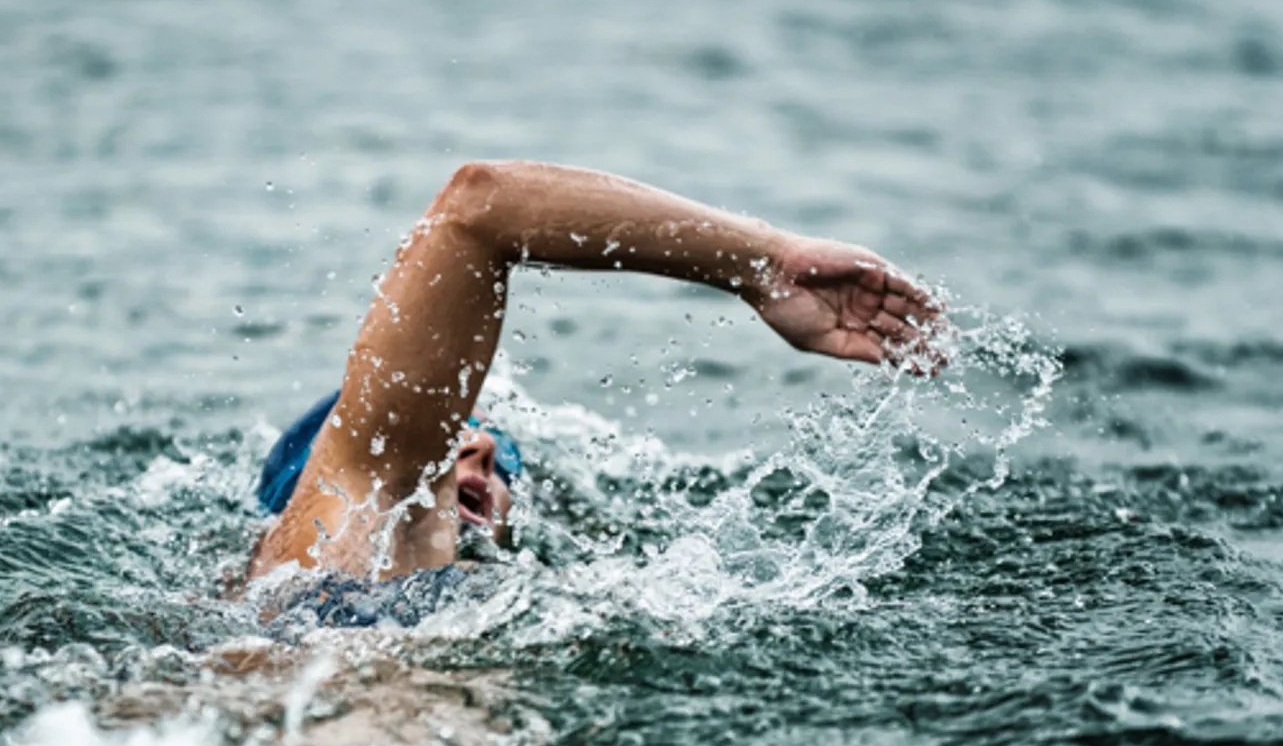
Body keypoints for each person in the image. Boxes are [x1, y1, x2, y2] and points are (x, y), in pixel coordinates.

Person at [249, 161, 940, 585]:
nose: (480, 447)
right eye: (445, 436)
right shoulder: (350, 514)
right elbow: (480, 205)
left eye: (502, 460)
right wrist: (763, 264)